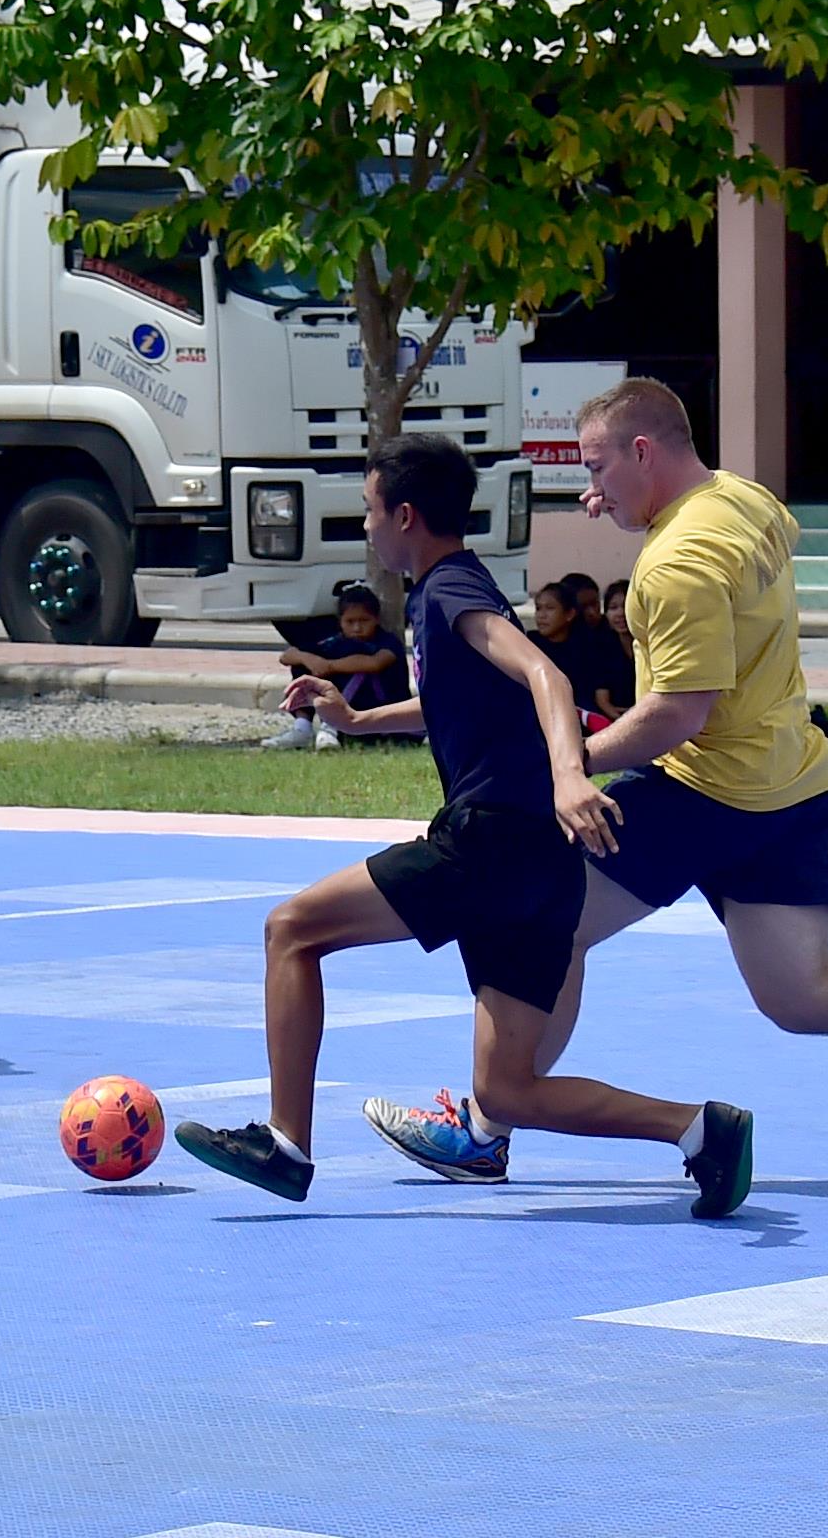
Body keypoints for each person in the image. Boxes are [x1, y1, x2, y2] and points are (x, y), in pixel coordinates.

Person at [364, 379, 828, 1202]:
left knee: (539, 914)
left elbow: (676, 717)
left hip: (704, 792)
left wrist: (564, 765)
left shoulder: (673, 566)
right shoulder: (746, 500)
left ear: (643, 453)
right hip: (790, 778)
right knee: (801, 995)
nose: (591, 492)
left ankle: (485, 1129)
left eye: (597, 467)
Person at [174, 434, 665, 1205]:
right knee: (506, 1095)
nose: (365, 526)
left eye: (369, 510)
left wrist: (570, 774)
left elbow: (543, 672)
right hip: (544, 862)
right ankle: (700, 1129)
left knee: (290, 931)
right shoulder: (457, 587)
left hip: (487, 841)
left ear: (404, 516)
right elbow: (457, 704)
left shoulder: (448, 593)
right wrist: (356, 720)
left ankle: (284, 1145)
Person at [261, 584, 409, 750]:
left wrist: (329, 666)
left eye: (364, 621)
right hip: (347, 711)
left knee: (352, 656)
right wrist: (308, 659)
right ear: (340, 621)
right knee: (305, 663)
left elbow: (376, 662)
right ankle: (302, 727)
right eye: (350, 622)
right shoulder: (334, 641)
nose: (357, 628)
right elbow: (287, 656)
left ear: (376, 619)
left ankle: (331, 727)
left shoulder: (386, 641)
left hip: (376, 710)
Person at [529, 579, 613, 719]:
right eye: (538, 608)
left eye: (550, 608)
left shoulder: (588, 647)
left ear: (569, 614)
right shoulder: (530, 644)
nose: (542, 615)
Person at [596, 577, 638, 717]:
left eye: (626, 607)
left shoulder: (651, 646)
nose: (620, 613)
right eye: (613, 608)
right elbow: (602, 699)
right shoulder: (603, 649)